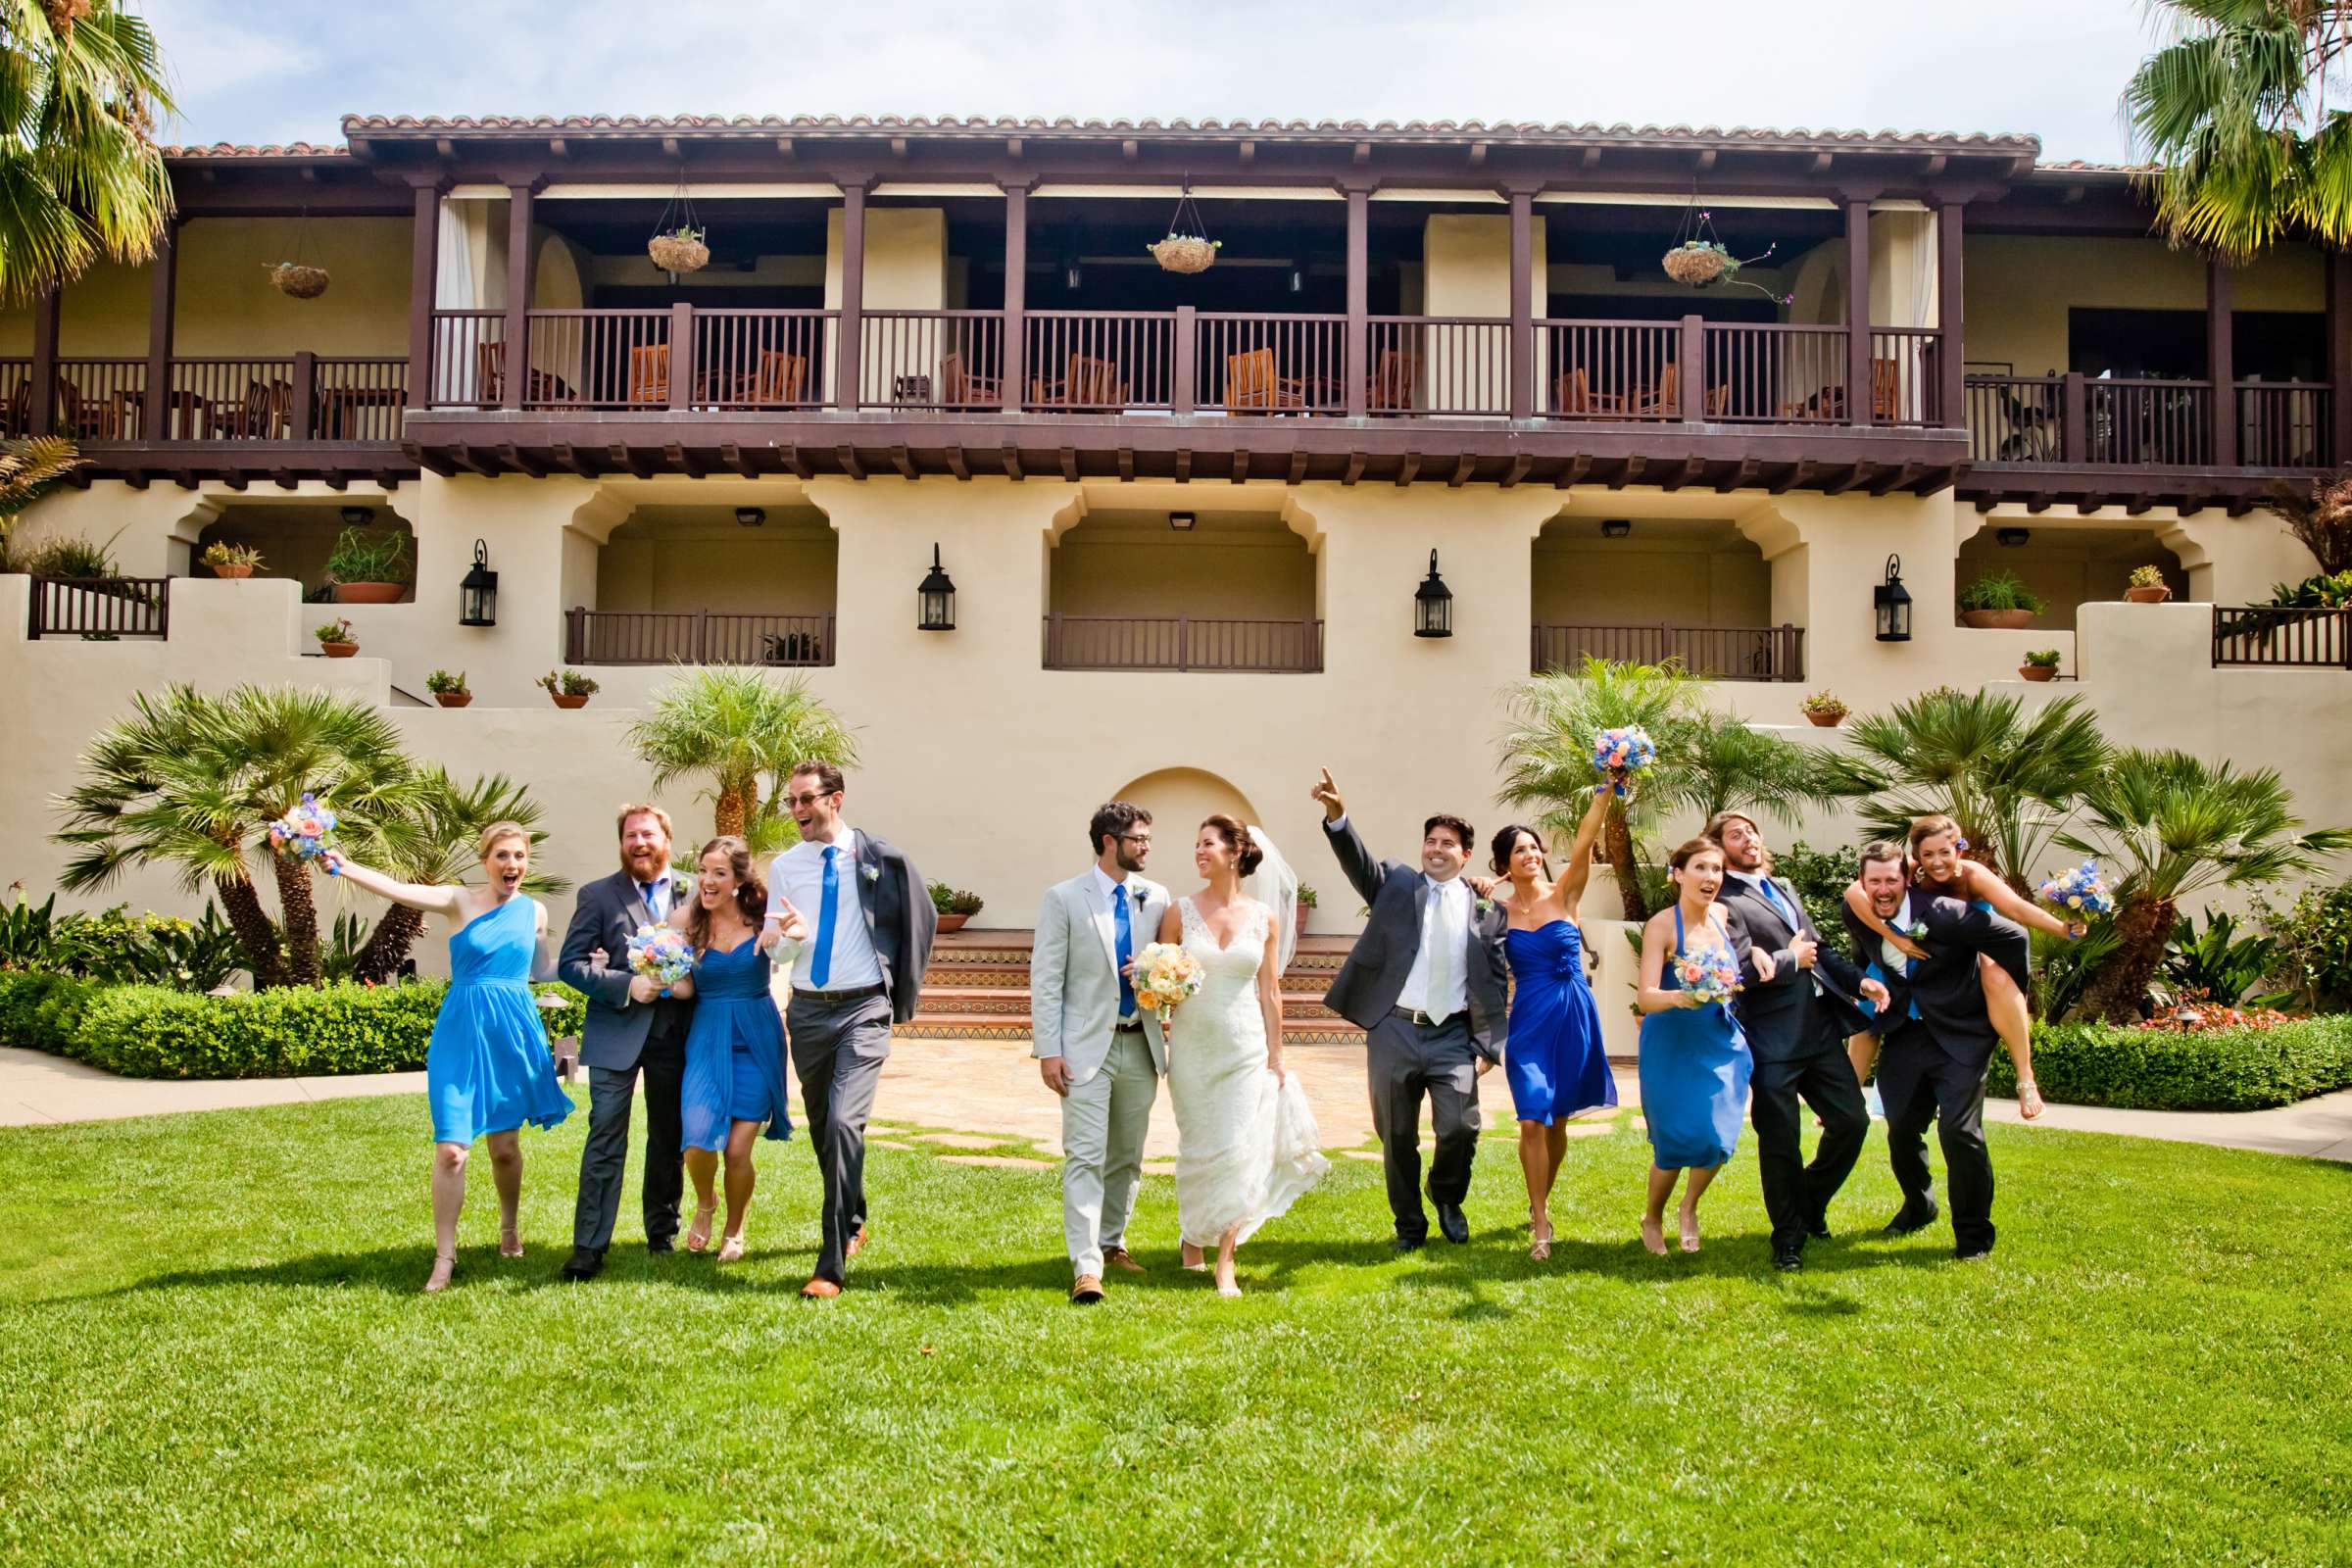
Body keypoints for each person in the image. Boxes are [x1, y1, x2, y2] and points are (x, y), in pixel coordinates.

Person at [324, 823, 572, 1293]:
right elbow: (398, 889)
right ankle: (444, 1256)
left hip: (512, 1032)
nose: (511, 865)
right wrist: (344, 865)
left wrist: (589, 966)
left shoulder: (534, 911)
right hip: (462, 1031)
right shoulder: (459, 901)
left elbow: (540, 970)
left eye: (518, 856)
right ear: (485, 860)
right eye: (501, 856)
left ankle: (509, 1229)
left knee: (505, 1148)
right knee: (452, 1151)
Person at [1310, 767, 1509, 1252]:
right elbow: (1358, 862)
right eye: (1431, 841)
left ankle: (1445, 1197)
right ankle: (1409, 1227)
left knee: (1460, 1128)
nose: (1436, 849)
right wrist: (1338, 815)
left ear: (1465, 855)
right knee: (1397, 1137)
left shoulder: (1487, 910)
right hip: (1395, 1029)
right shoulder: (1398, 885)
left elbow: (1495, 981)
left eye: (1448, 844)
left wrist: (1489, 1045)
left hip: (1453, 1036)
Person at [762, 760, 935, 1299]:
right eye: (790, 802)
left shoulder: (881, 859)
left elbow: (921, 919)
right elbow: (776, 943)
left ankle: (830, 1264)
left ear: (835, 799)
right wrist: (790, 937)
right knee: (822, 1128)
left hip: (864, 1009)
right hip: (809, 1010)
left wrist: (900, 988)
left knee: (843, 1123)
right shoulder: (787, 867)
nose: (796, 811)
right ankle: (854, 1215)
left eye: (805, 800)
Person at [1707, 810, 1888, 1273]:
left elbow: (1819, 948)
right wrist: (1791, 959)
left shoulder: (1782, 885)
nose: (1747, 838)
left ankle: (1809, 1202)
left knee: (1851, 1122)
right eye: (1735, 834)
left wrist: (1860, 983)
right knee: (1781, 1143)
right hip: (1771, 1040)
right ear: (1719, 847)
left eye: (1750, 830)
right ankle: (1787, 1240)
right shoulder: (1722, 900)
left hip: (1819, 1030)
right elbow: (1737, 971)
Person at [1156, 814, 1329, 1298]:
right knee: (1198, 1147)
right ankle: (1192, 1238)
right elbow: (1161, 975)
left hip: (1243, 1046)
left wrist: (1277, 1055)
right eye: (1196, 843)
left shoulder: (1264, 917)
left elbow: (1270, 991)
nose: (1198, 851)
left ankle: (1225, 1260)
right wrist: (1156, 983)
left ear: (1234, 853)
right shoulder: (1178, 912)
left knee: (1237, 1150)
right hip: (1192, 1046)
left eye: (1207, 843)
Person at [1839, 814, 2079, 1119]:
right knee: (1871, 999)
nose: (1937, 862)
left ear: (1959, 850)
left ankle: (2026, 1077)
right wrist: (1892, 938)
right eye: (1928, 854)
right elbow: (1853, 893)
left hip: (1973, 942)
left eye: (1944, 852)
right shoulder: (1910, 870)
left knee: (1996, 977)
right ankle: (1847, 1097)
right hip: (1925, 937)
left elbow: (2015, 908)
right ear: (1917, 856)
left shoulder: (1973, 875)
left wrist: (2061, 928)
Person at [1031, 802, 1170, 1306]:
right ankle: (1086, 1268)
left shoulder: (1156, 898)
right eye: (1138, 838)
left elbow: (1168, 966)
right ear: (1109, 842)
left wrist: (1158, 978)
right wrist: (1048, 1050)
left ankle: (1112, 1244)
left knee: (1127, 1157)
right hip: (1085, 1047)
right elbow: (1046, 980)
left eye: (1149, 837)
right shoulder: (1064, 898)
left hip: (1141, 1044)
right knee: (1085, 1156)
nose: (1147, 846)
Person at [1849, 841, 2010, 1259]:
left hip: (1961, 1037)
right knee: (1901, 1128)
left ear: (1908, 878)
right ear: (1864, 885)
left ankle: (1973, 1236)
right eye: (1874, 881)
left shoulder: (1945, 912)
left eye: (1891, 879)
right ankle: (1920, 1204)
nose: (1883, 889)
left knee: (1959, 1132)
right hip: (1905, 1035)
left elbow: (2012, 934)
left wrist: (2011, 986)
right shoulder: (1866, 919)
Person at [559, 804, 697, 1283]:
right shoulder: (597, 895)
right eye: (631, 836)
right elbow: (571, 964)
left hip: (676, 1035)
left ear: (667, 840)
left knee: (667, 1138)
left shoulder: (694, 890)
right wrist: (624, 986)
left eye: (649, 835)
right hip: (616, 1032)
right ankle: (588, 1245)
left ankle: (662, 1235)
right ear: (621, 843)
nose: (640, 843)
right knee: (605, 1136)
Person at [1490, 785, 1614, 1262]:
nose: (1531, 855)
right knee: (1530, 1117)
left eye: (1534, 847)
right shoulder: (1497, 913)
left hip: (1573, 1013)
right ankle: (1540, 1219)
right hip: (1529, 1019)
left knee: (1557, 1120)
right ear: (1505, 860)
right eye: (1520, 850)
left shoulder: (1566, 894)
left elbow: (1583, 842)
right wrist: (1483, 890)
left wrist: (1605, 795)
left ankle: (1538, 1198)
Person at [673, 836, 801, 1262]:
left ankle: (734, 1229)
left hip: (755, 1035)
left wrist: (793, 930)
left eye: (718, 874)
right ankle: (705, 1202)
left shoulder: (763, 919)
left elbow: (794, 941)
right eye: (703, 871)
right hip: (708, 1037)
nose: (706, 881)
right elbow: (686, 986)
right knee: (697, 1142)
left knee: (738, 1150)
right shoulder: (686, 923)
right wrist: (663, 975)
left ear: (738, 881)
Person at [1634, 837, 1756, 1257]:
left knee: (1717, 1136)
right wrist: (1679, 995)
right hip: (1671, 1041)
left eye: (1717, 870)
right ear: (1679, 874)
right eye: (1701, 868)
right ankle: (1652, 1216)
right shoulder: (1662, 926)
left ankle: (1689, 1207)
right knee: (1674, 1142)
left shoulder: (1723, 916)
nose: (1710, 878)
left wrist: (1754, 957)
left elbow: (1738, 966)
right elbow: (1646, 997)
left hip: (1717, 1039)